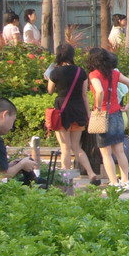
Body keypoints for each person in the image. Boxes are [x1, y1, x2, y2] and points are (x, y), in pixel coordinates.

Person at [46, 43, 98, 185]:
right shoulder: (80, 72)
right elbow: (84, 95)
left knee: (65, 147)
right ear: (72, 55)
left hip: (62, 111)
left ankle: (66, 177)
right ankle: (91, 173)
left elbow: (50, 91)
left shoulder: (55, 72)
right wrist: (88, 115)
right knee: (76, 146)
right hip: (78, 110)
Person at [87, 47, 129, 191]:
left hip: (103, 116)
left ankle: (114, 183)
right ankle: (126, 181)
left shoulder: (94, 74)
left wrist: (98, 106)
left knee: (106, 153)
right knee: (119, 151)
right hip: (117, 114)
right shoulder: (114, 73)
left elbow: (100, 91)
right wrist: (127, 104)